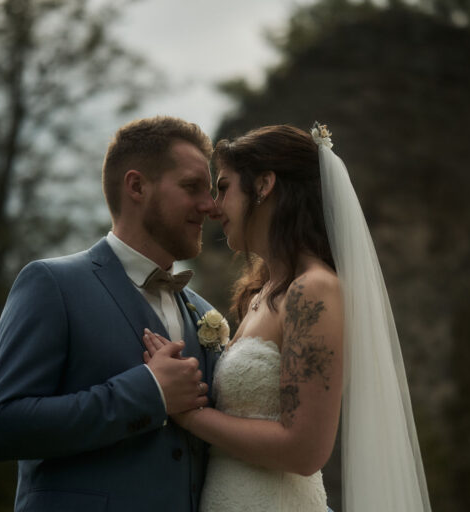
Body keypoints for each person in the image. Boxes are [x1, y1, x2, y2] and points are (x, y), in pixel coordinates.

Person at [144, 123, 433, 511]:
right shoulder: (262, 293)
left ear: (263, 185)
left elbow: (305, 451)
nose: (214, 206)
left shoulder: (314, 291)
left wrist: (190, 416)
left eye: (225, 187)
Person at [0, 116, 222, 511]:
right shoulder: (51, 285)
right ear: (137, 186)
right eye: (191, 187)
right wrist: (149, 392)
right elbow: (0, 426)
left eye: (210, 191)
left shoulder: (205, 314)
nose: (209, 205)